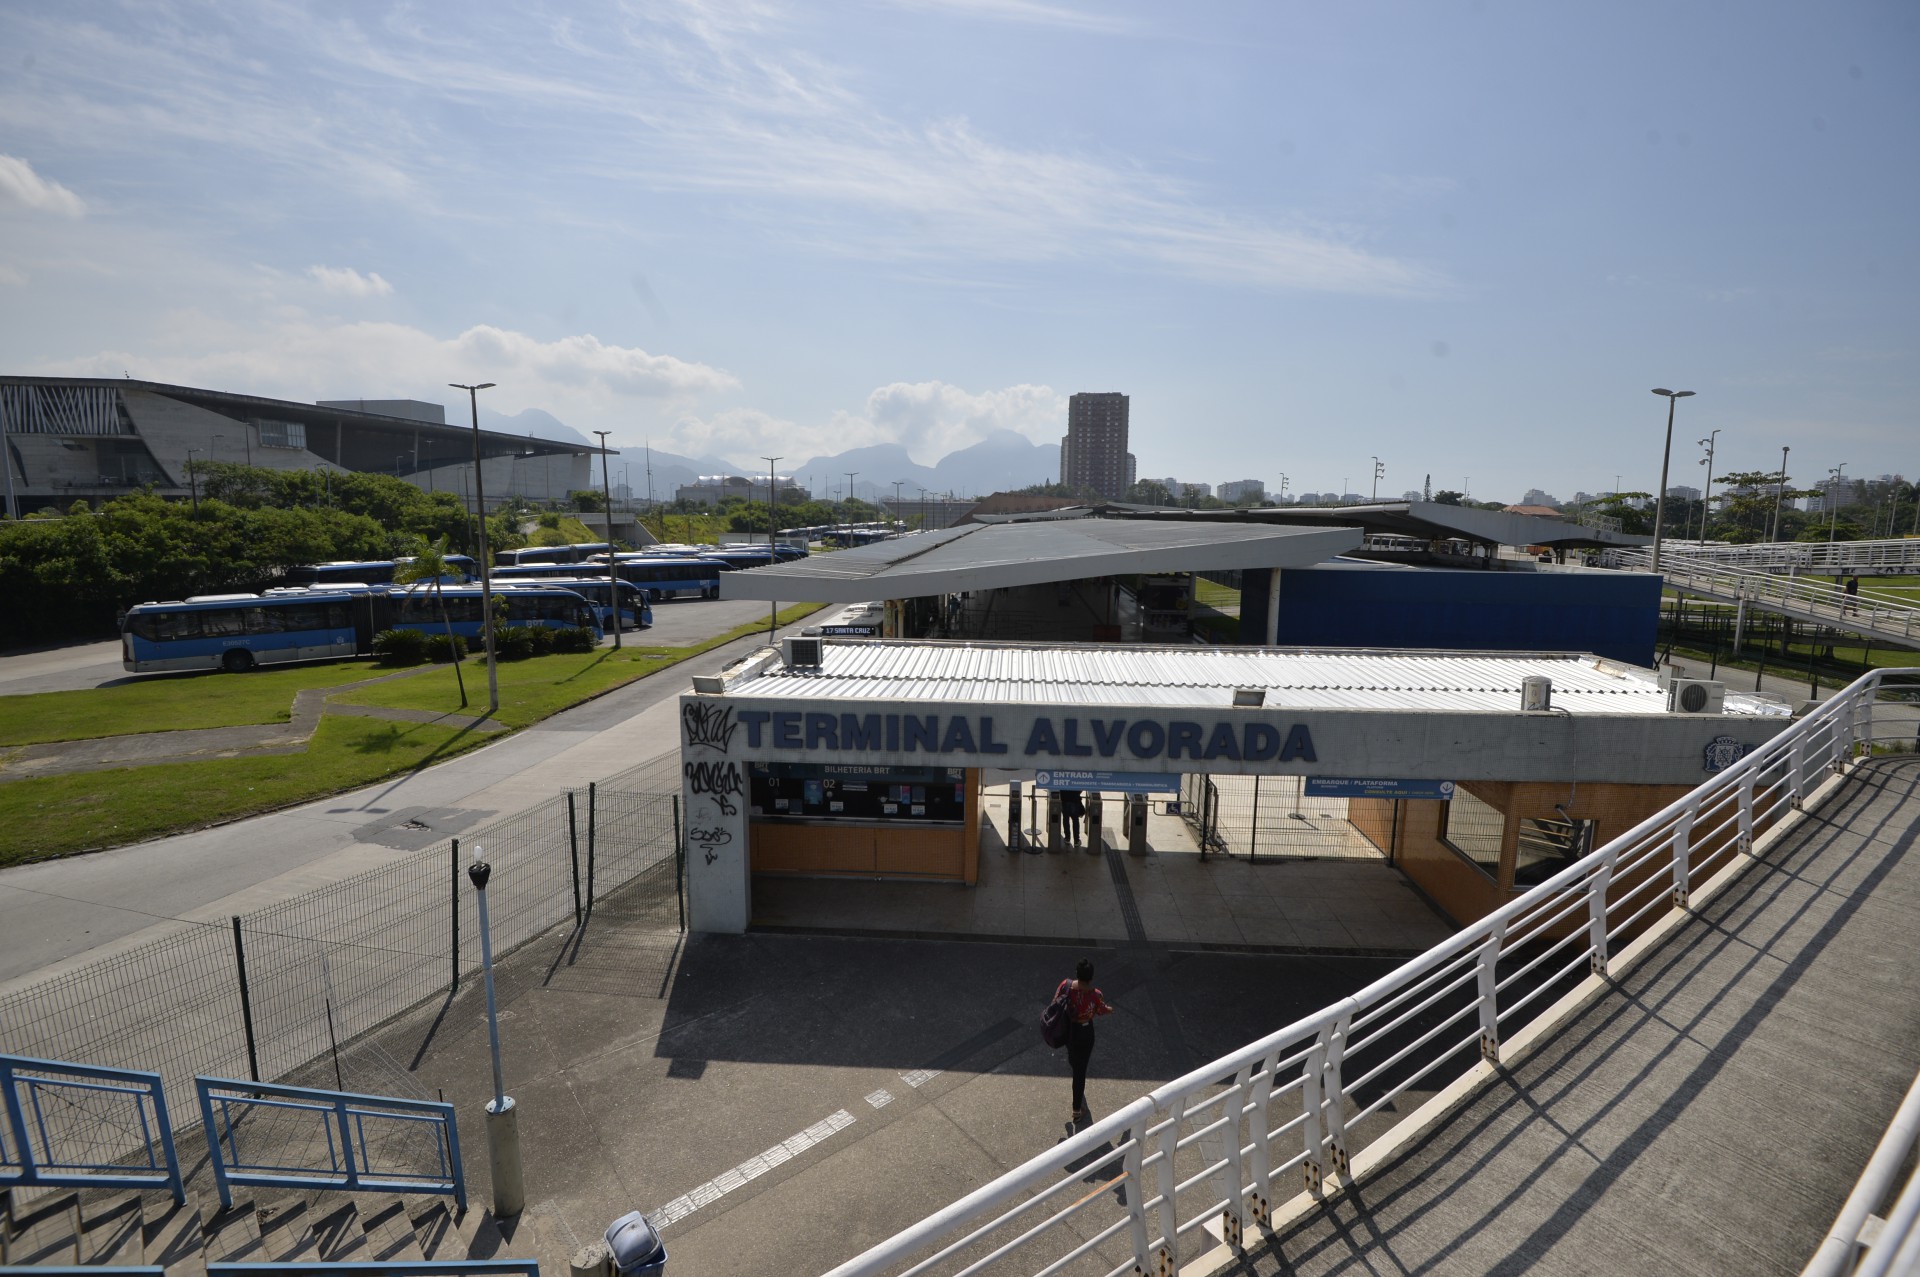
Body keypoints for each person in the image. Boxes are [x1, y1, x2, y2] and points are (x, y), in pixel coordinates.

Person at [1058, 957, 1114, 1122]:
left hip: (1070, 1030)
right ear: (1091, 978)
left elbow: (1056, 1001)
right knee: (1080, 1072)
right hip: (1085, 1032)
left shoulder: (1066, 986)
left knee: (1073, 1057)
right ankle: (1076, 1110)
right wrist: (1110, 1009)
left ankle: (1075, 1065)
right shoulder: (1096, 995)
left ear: (1077, 973)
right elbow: (1101, 1010)